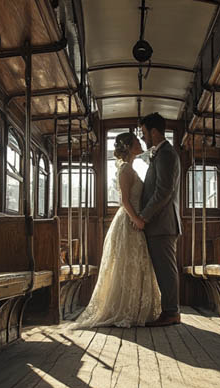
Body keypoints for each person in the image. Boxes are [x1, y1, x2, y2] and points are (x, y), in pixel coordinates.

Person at [68, 132, 161, 328]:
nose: (140, 142)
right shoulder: (125, 170)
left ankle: (135, 308)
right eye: (136, 141)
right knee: (127, 264)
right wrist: (137, 219)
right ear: (128, 146)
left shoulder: (131, 168)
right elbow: (125, 201)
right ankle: (124, 309)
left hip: (134, 221)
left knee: (134, 264)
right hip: (128, 221)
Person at [138, 112, 182, 326]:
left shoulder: (166, 154)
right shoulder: (160, 153)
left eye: (144, 133)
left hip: (163, 224)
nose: (142, 138)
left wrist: (144, 217)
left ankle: (171, 312)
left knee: (166, 270)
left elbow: (163, 191)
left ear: (154, 132)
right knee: (164, 270)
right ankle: (169, 311)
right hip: (160, 224)